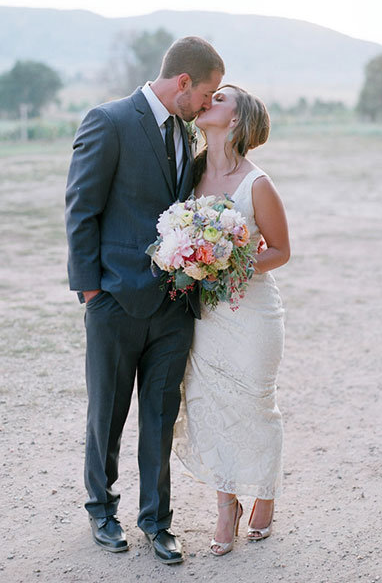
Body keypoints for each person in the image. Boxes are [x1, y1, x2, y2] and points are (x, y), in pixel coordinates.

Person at [65, 36, 224, 564]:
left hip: (173, 307)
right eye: (207, 93)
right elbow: (81, 210)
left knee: (159, 414)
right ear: (183, 82)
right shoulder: (108, 121)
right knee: (106, 414)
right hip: (113, 302)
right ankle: (101, 511)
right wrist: (92, 291)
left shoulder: (184, 133)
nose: (207, 104)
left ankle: (157, 521)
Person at [174, 84, 290, 556]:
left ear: (237, 119)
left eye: (219, 98)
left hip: (253, 313)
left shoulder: (257, 184)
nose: (208, 102)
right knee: (208, 403)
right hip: (206, 315)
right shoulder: (191, 172)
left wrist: (231, 262)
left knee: (255, 404)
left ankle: (265, 493)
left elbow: (281, 251)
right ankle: (227, 505)